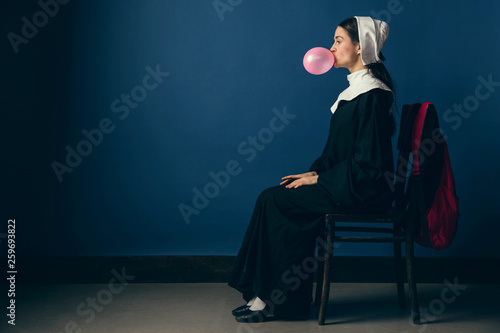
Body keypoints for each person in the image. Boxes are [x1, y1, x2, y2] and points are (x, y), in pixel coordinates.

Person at [228, 16, 396, 323]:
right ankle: (264, 296)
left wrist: (322, 178)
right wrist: (313, 174)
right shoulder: (355, 91)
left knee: (277, 201)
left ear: (359, 48)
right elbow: (339, 153)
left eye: (338, 40)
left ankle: (275, 302)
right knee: (274, 196)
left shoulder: (372, 94)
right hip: (346, 180)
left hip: (365, 187)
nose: (330, 48)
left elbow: (371, 162)